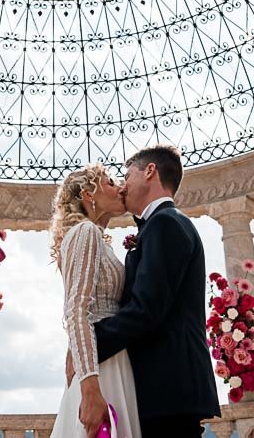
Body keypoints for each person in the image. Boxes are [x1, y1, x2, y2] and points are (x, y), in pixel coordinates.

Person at [80, 145, 221, 438]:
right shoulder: (161, 224)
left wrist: (87, 346)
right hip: (164, 390)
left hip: (168, 388)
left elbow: (147, 309)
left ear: (149, 171)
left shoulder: (165, 223)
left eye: (127, 176)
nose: (123, 186)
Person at [50, 163, 141, 438]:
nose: (120, 188)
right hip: (102, 364)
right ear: (89, 195)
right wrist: (89, 389)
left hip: (109, 354)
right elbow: (77, 310)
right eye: (110, 183)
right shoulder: (85, 231)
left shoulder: (96, 237)